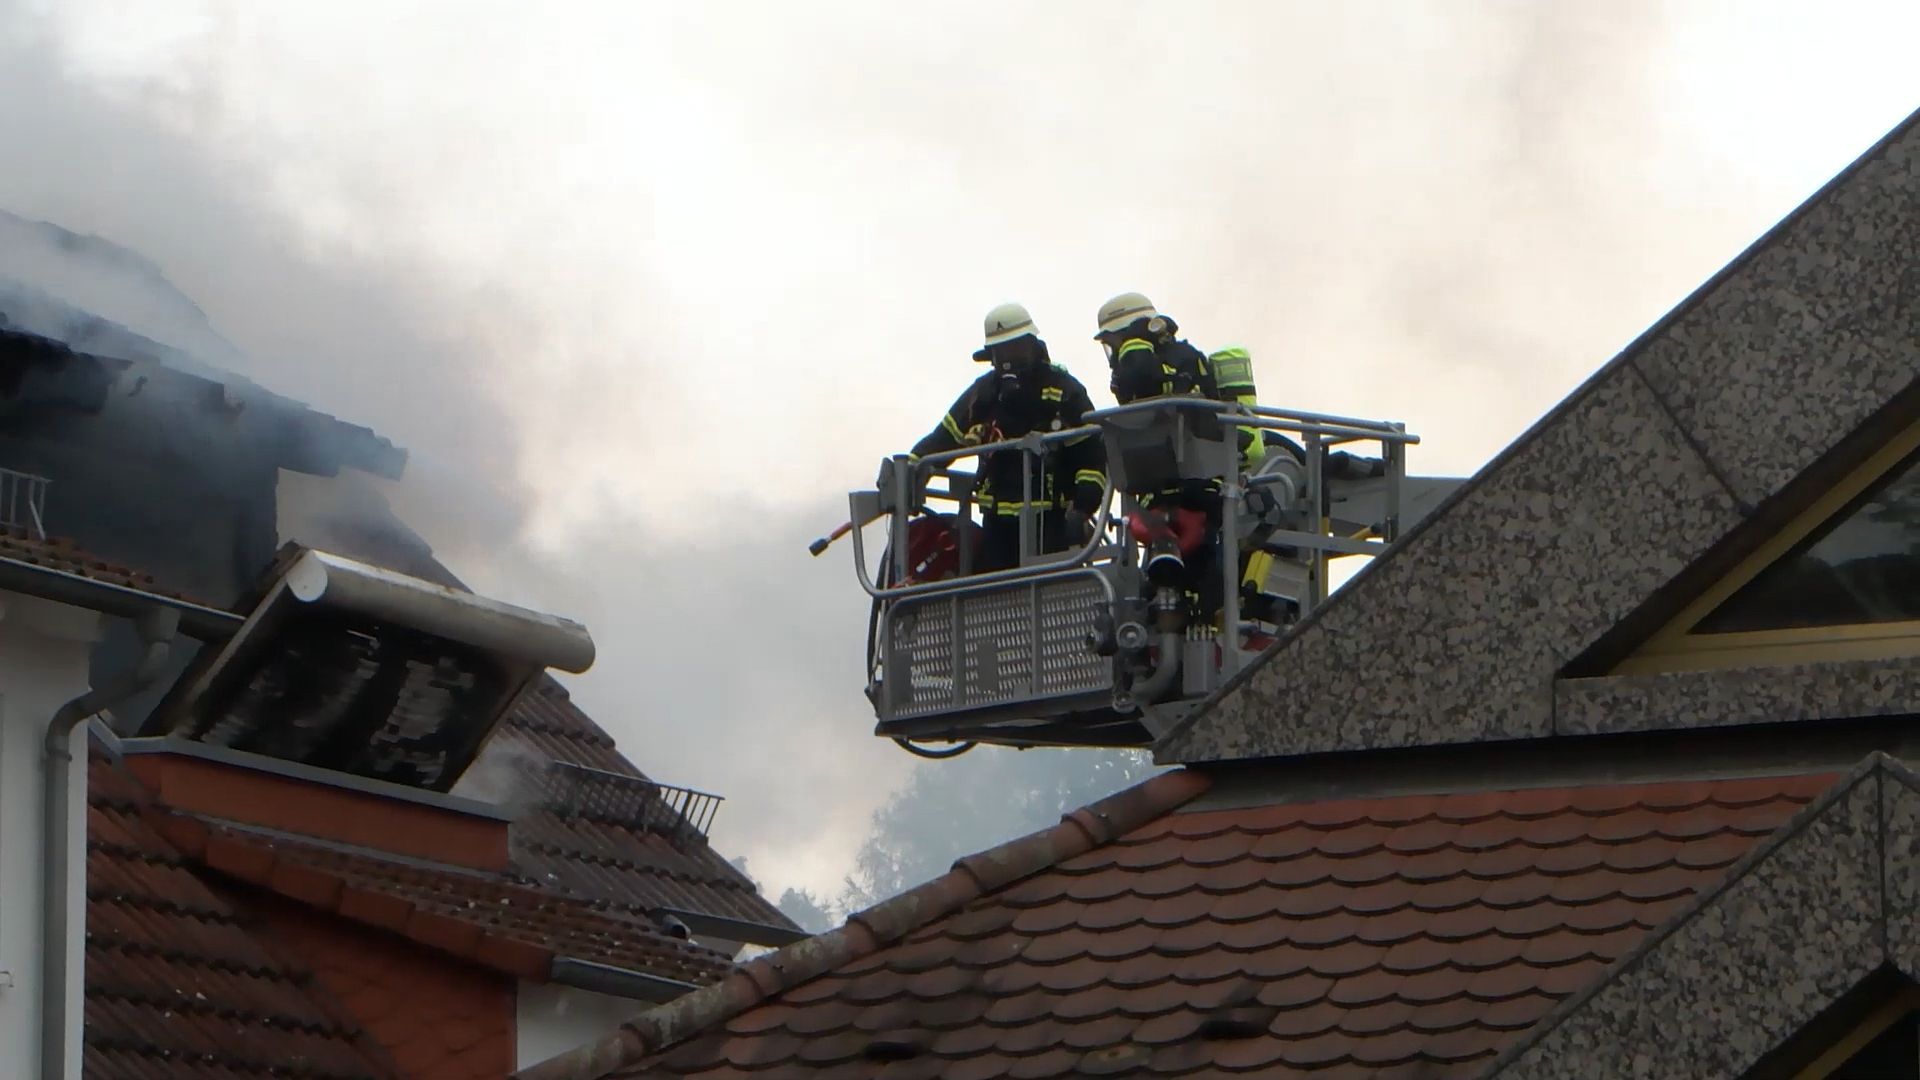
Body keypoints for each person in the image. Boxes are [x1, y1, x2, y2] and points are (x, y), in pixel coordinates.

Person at [899, 303, 1106, 573]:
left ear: (1033, 346)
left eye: (1016, 350)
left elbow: (1092, 454)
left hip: (1052, 522)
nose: (1009, 361)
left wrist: (1081, 509)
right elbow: (944, 437)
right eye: (1001, 352)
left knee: (1050, 584)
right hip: (996, 524)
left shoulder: (1063, 390)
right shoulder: (984, 393)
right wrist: (911, 467)